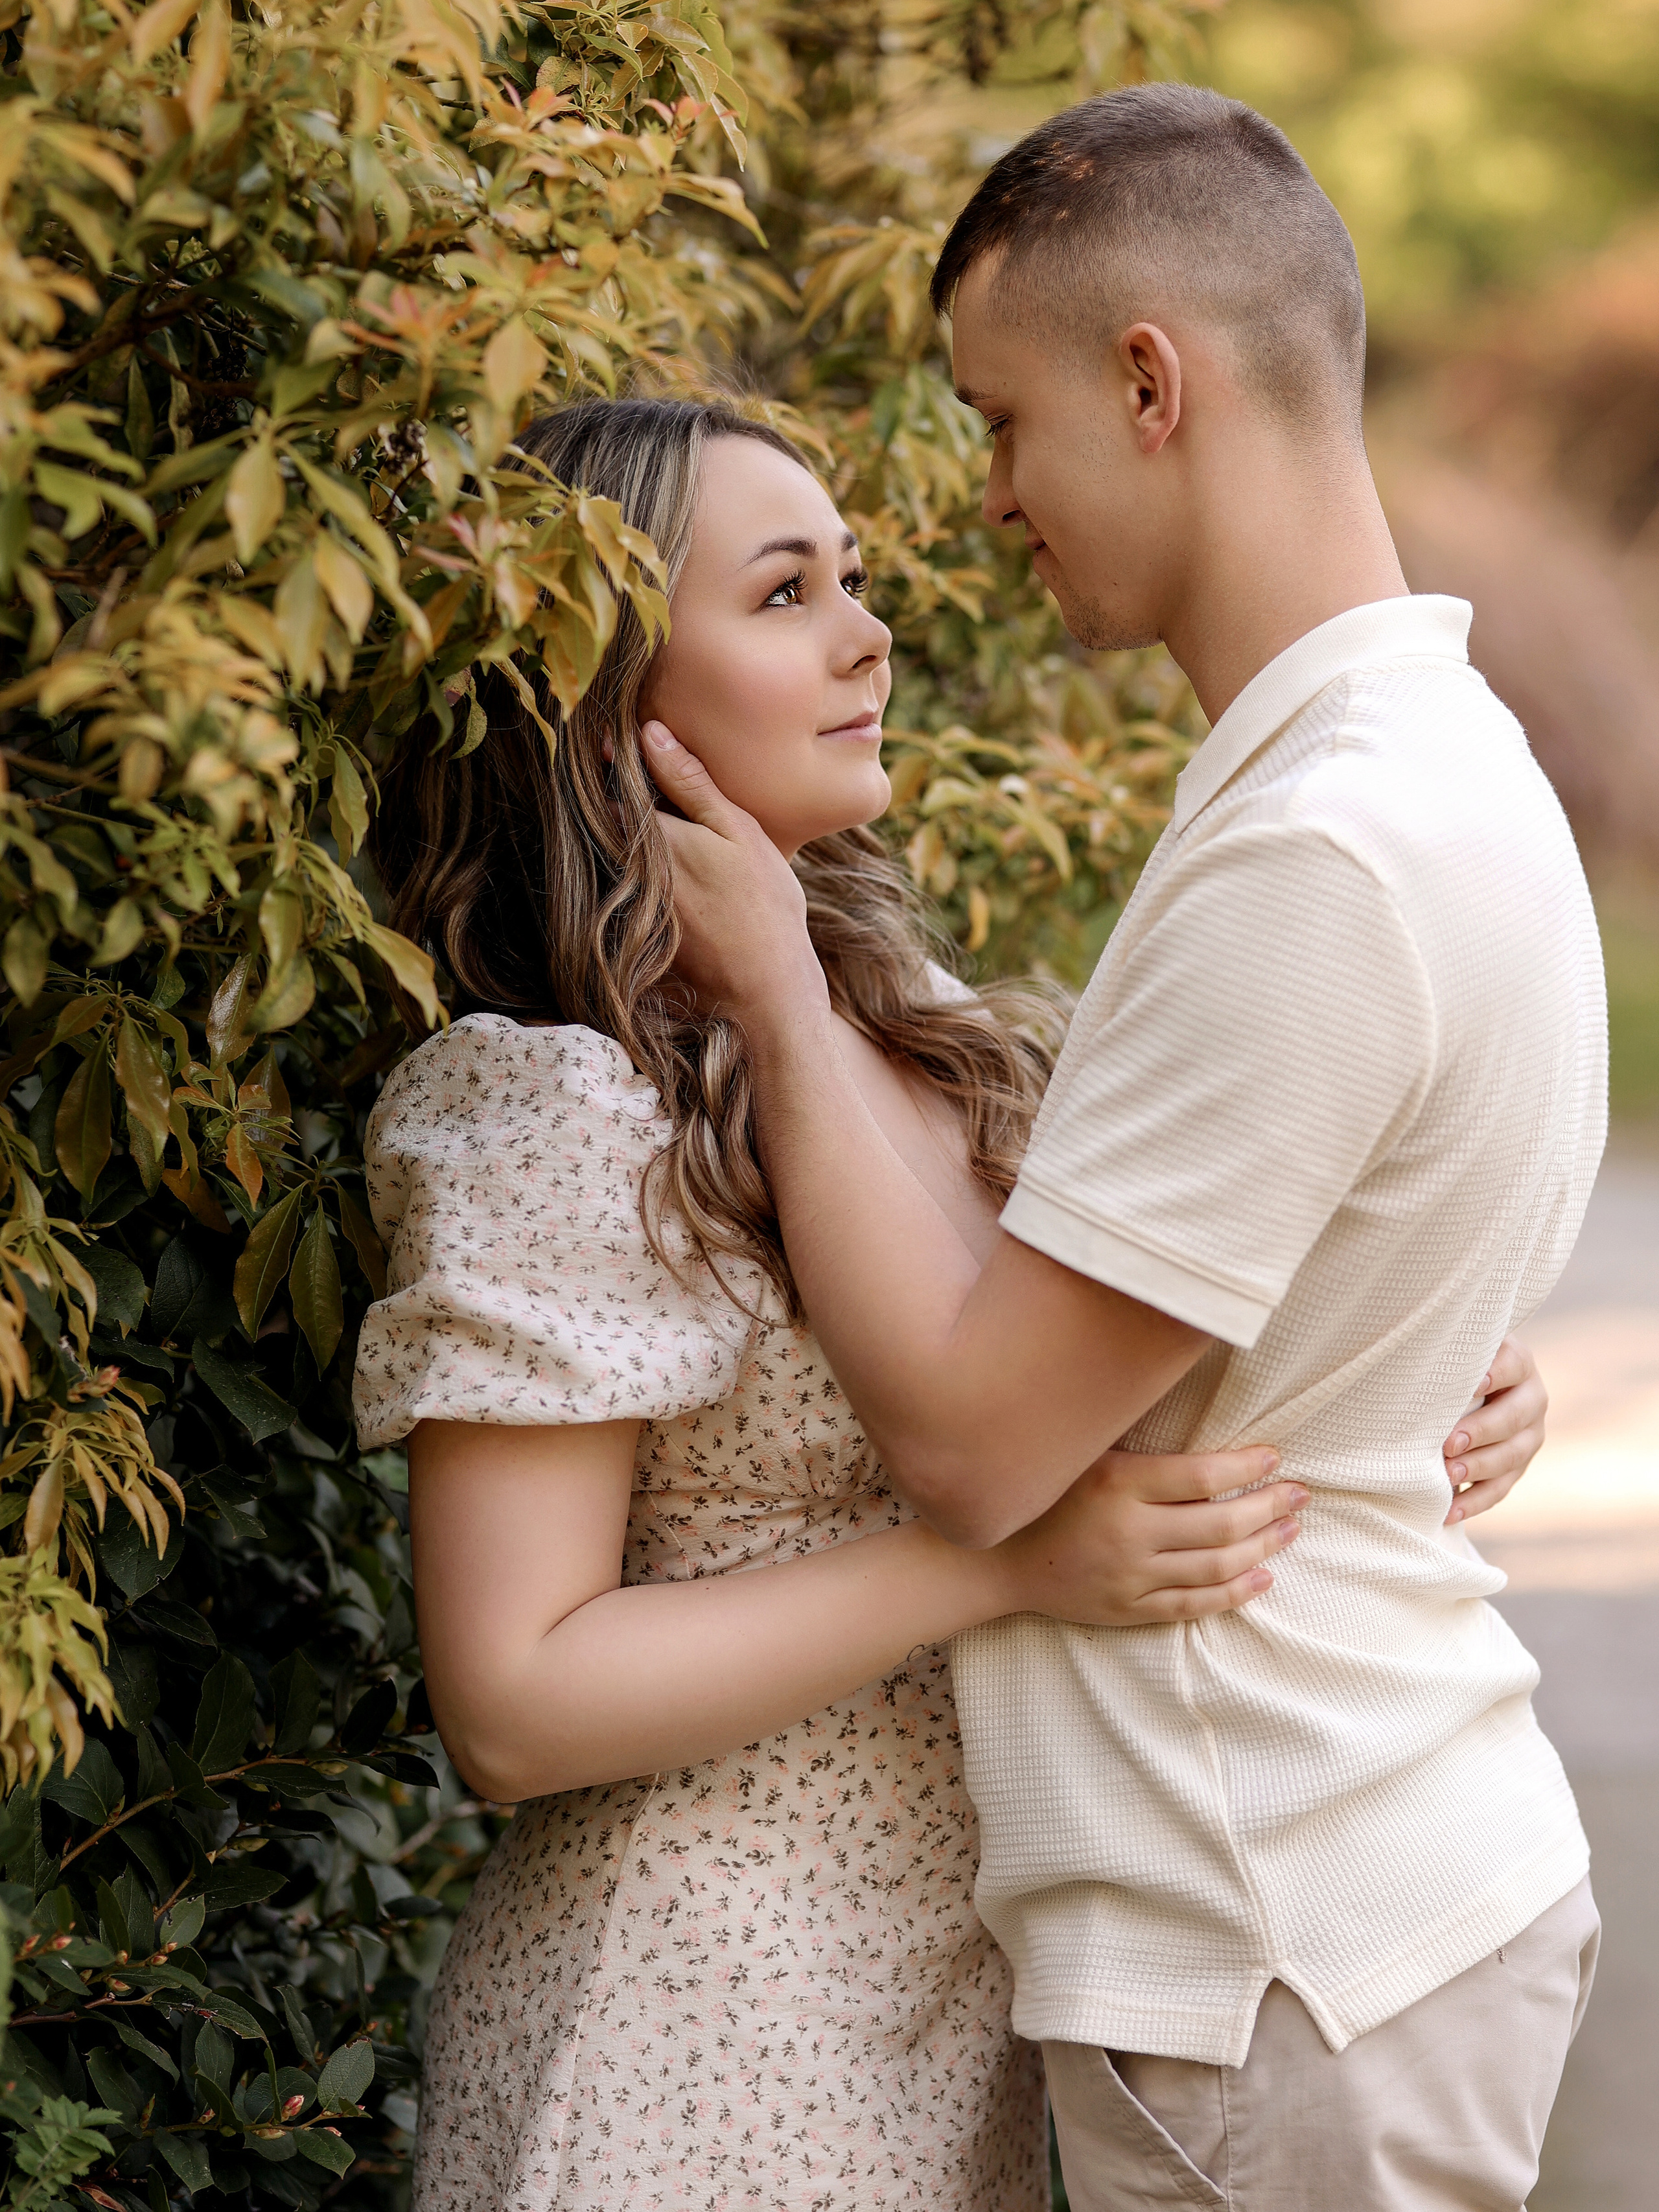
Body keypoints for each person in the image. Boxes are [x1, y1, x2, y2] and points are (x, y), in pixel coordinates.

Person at [351, 396, 1548, 2211]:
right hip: (692, 2035)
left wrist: (1429, 1364)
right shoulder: (558, 1108)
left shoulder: (906, 1021)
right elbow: (512, 1698)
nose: (868, 631)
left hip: (956, 2018)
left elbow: (1122, 1332)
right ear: (609, 699)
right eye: (782, 593)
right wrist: (993, 1569)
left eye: (855, 576)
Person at [638, 87, 1604, 2212]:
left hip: (1276, 1938)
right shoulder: (1435, 756)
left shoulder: (1319, 849)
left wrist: (786, 1000)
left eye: (1001, 422)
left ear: (1147, 383)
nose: (988, 503)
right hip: (1370, 1891)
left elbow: (987, 1451)